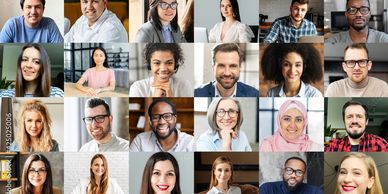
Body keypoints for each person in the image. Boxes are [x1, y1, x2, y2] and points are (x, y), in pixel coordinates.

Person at [194, 43, 259, 97]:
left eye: (232, 66)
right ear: (213, 68)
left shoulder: (254, 94)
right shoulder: (197, 94)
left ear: (239, 68)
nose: (227, 73)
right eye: (221, 66)